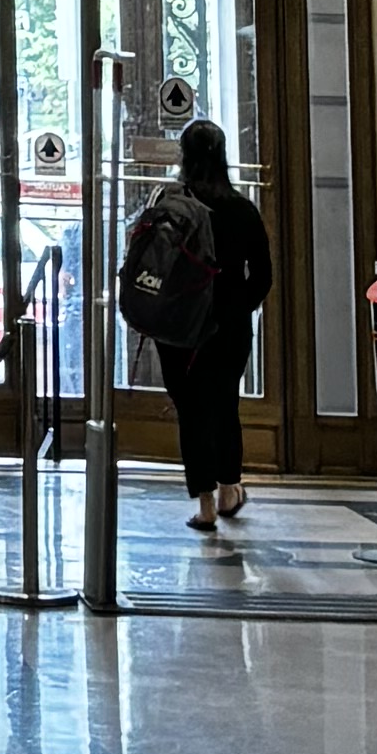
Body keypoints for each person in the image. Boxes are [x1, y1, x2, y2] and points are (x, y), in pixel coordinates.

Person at [124, 117, 273, 544]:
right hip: (228, 326)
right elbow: (263, 276)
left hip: (178, 325)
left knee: (190, 410)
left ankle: (204, 504)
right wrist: (236, 307)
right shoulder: (243, 210)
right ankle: (229, 490)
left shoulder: (171, 204)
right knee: (225, 404)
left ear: (183, 157)